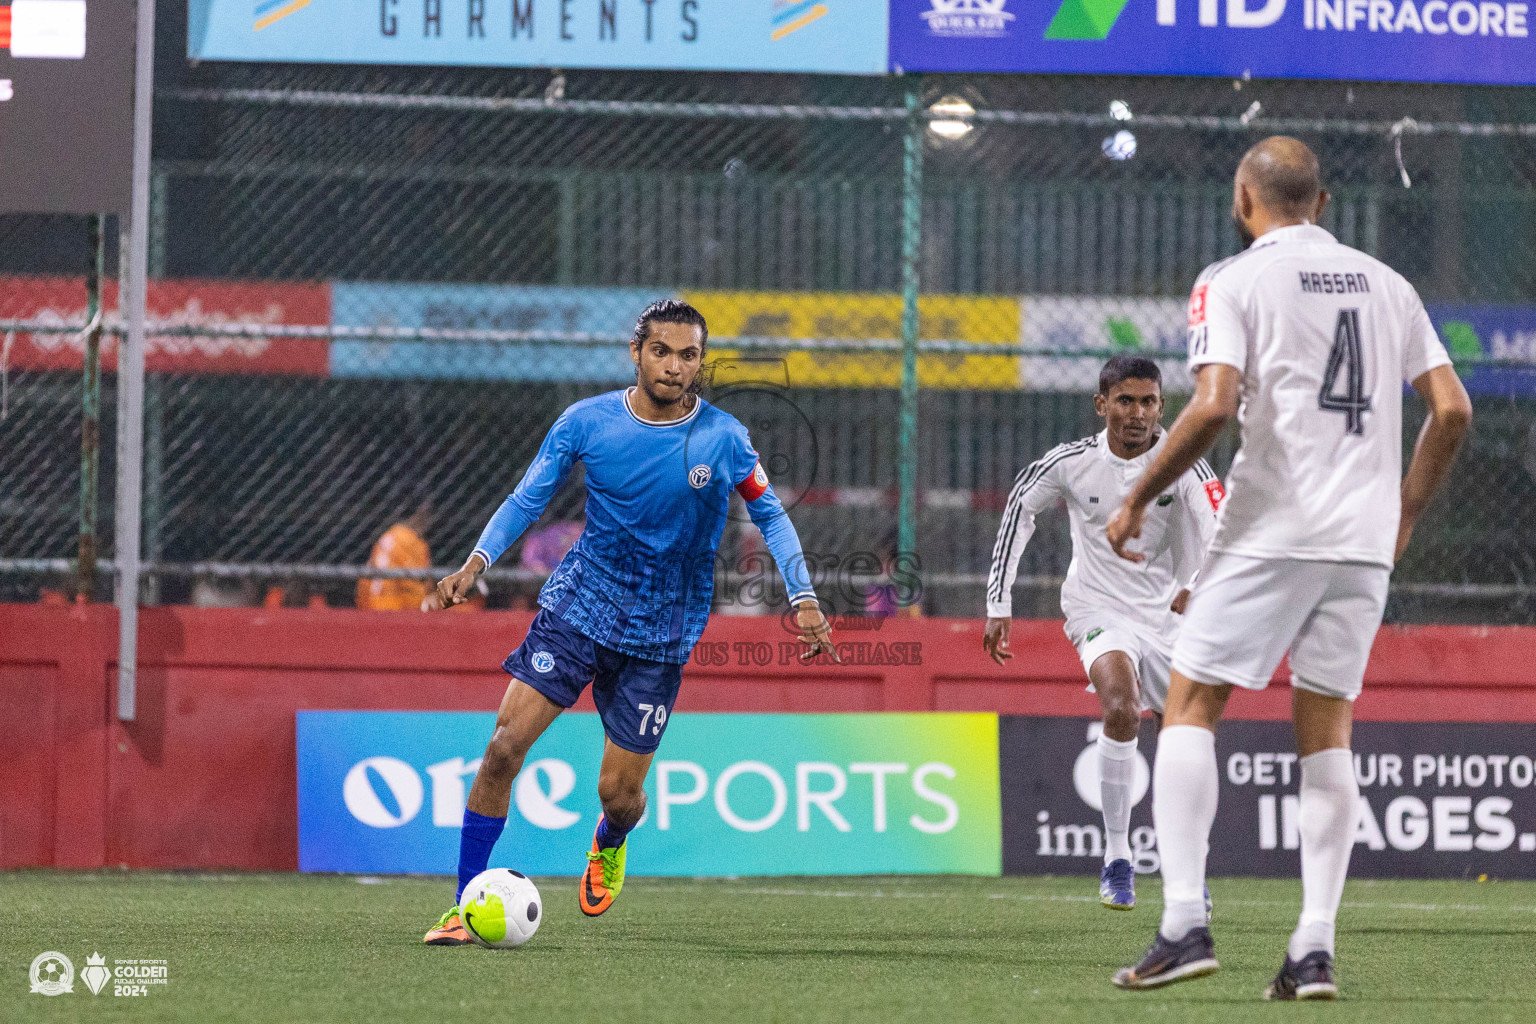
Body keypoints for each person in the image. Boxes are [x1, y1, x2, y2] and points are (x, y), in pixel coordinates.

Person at [1106, 137, 1471, 999]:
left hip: (1273, 526)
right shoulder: (1391, 284)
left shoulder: (1231, 280)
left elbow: (1214, 404)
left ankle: (1185, 922)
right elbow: (1451, 409)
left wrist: (1135, 499)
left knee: (1192, 703)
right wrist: (1406, 511)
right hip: (1360, 541)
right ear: (1326, 201)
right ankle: (1313, 946)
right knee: (1328, 727)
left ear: (1245, 199)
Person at [422, 299, 839, 944]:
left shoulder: (724, 438)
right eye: (663, 352)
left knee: (619, 795)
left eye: (689, 356)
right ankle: (460, 907)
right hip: (582, 605)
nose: (675, 367)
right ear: (637, 352)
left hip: (662, 632)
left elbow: (772, 515)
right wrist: (475, 562)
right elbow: (527, 496)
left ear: (702, 363)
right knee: (503, 749)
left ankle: (611, 841)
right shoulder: (586, 423)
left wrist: (803, 595)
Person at [984, 355, 1219, 911]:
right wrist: (998, 601)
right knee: (1121, 706)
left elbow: (1221, 524)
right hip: (1098, 610)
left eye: (1149, 402)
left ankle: (1186, 868)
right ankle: (1117, 858)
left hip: (1171, 619)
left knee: (1183, 736)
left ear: (1163, 406)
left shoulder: (1184, 463)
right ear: (1102, 404)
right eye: (1126, 401)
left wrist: (1200, 585)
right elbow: (1021, 506)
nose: (1138, 414)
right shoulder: (1073, 463)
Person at [356, 501, 431, 611]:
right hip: (393, 607)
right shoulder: (411, 540)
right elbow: (414, 588)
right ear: (421, 514)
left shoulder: (389, 535)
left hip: (367, 604)